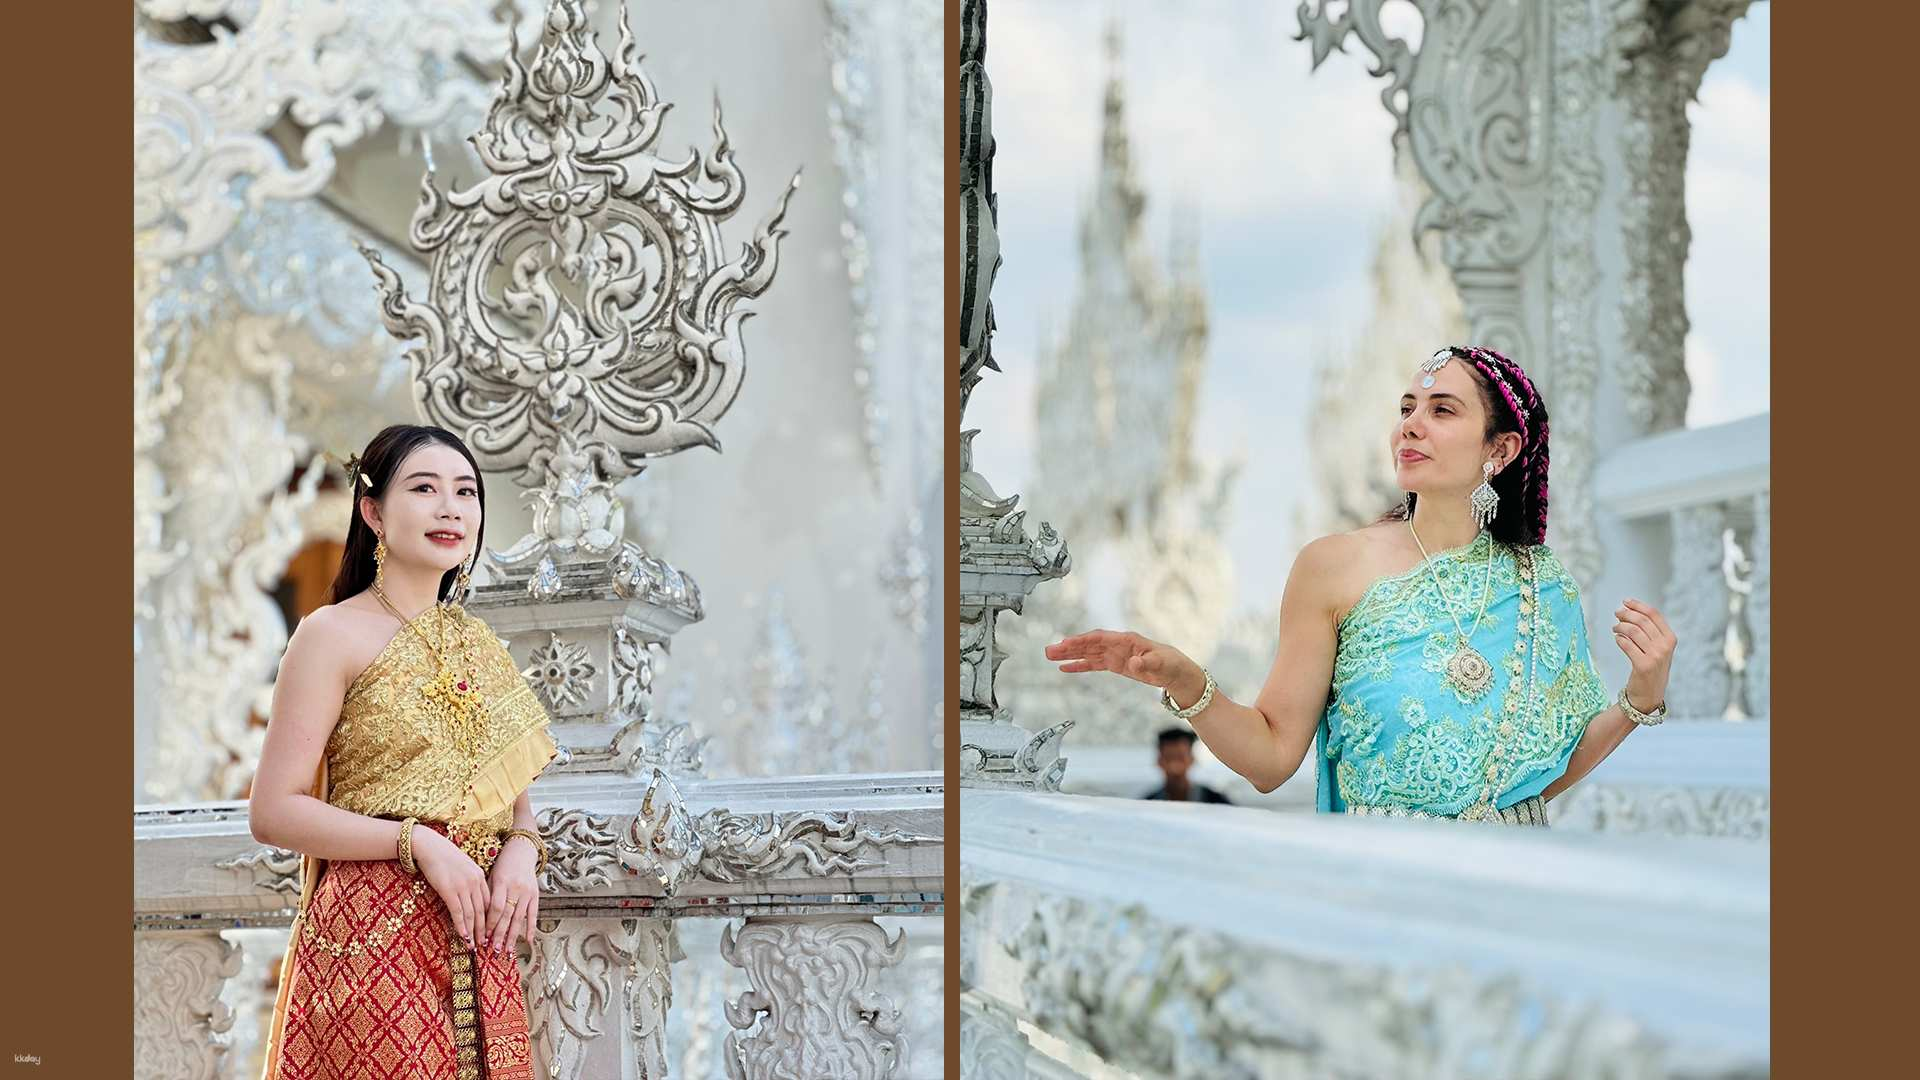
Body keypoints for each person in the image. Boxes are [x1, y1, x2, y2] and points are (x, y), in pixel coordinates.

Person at [1046, 346, 1677, 826]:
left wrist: (1639, 697)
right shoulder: (1333, 568)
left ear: (1502, 449)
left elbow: (1543, 772)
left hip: (1514, 885)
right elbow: (1270, 761)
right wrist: (1186, 680)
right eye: (1406, 409)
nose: (1411, 425)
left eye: (1441, 410)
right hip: (1380, 882)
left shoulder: (1542, 586)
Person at [249, 424, 558, 1079]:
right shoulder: (330, 633)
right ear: (373, 512)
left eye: (466, 491)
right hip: (372, 936)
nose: (450, 507)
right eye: (424, 488)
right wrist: (420, 843)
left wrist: (524, 855)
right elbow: (274, 811)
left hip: (477, 937)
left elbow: (516, 808)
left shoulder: (480, 645)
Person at [1144, 727, 1233, 804]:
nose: (1174, 764)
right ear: (1159, 761)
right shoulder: (1147, 805)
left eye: (1180, 757)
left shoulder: (1217, 801)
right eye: (1169, 757)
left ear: (1192, 759)